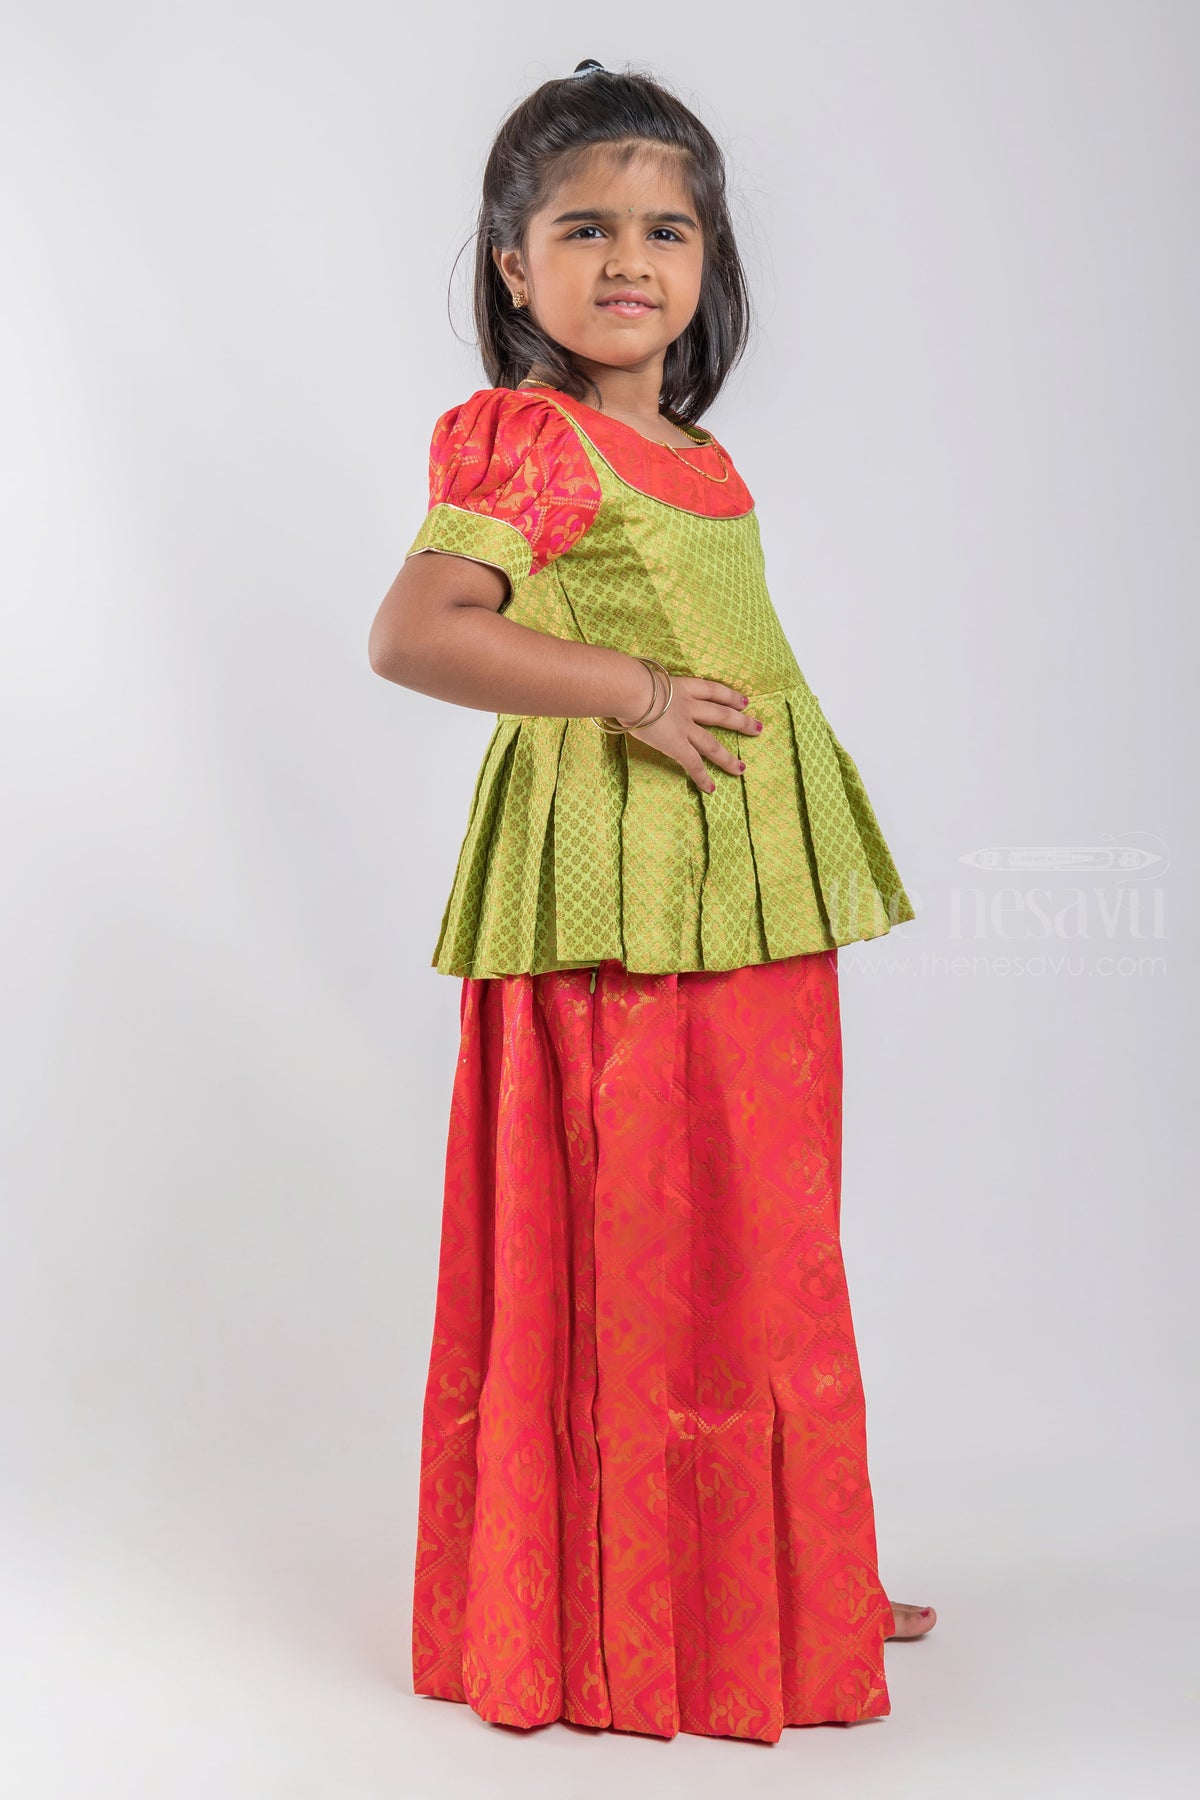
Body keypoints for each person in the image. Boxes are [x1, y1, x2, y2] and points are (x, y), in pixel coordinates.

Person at [368, 58, 935, 1745]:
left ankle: (788, 1577)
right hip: (620, 904)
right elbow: (416, 631)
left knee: (767, 1240)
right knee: (641, 1235)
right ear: (510, 263)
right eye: (585, 227)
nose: (630, 259)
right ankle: (629, 1611)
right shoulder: (531, 440)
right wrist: (629, 692)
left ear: (710, 261)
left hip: (746, 891)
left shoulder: (690, 449)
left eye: (667, 229)